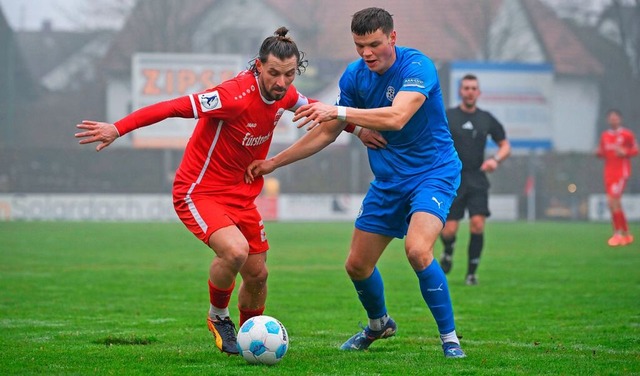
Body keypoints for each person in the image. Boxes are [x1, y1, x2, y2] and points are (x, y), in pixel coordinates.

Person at [74, 27, 377, 356]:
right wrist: (117, 128)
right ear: (259, 67)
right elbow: (172, 107)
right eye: (273, 73)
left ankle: (250, 338)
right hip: (198, 191)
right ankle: (218, 316)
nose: (281, 82)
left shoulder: (284, 95)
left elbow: (318, 109)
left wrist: (357, 128)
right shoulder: (232, 96)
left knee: (258, 274)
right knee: (235, 251)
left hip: (242, 194)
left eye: (289, 75)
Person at [246, 7, 466, 358]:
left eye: (374, 44)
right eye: (359, 45)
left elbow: (397, 116)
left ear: (392, 38)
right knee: (357, 265)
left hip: (433, 172)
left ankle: (450, 339)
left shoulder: (417, 66)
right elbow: (327, 132)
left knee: (418, 250)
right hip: (389, 180)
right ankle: (379, 325)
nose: (367, 53)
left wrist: (341, 112)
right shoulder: (354, 77)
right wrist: (273, 162)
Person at [438, 74, 511, 286]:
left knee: (477, 225)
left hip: (478, 178)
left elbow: (505, 145)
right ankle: (448, 251)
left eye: (474, 88)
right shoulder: (448, 116)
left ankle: (471, 273)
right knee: (449, 230)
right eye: (466, 88)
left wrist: (495, 160)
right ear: (460, 91)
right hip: (453, 179)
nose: (470, 91)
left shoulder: (486, 118)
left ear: (478, 93)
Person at [596, 109, 638, 247]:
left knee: (611, 201)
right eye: (611, 118)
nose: (613, 120)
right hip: (608, 173)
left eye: (616, 118)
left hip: (621, 172)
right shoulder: (605, 136)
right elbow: (602, 152)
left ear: (620, 119)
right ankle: (626, 234)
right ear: (608, 120)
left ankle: (617, 234)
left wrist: (625, 152)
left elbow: (636, 150)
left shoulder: (627, 134)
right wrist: (598, 153)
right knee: (615, 204)